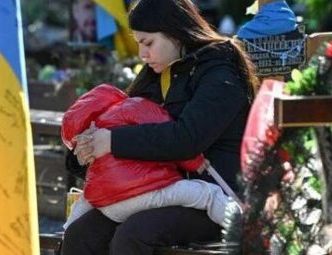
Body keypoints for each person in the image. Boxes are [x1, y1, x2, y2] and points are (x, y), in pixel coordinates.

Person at [56, 0, 258, 255]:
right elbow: (118, 124)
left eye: (148, 42)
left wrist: (111, 142)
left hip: (213, 202)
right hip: (153, 192)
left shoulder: (221, 71)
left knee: (132, 235)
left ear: (177, 32)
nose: (142, 53)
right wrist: (83, 151)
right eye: (138, 43)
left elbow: (187, 139)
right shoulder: (157, 75)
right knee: (80, 234)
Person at [60, 83, 241, 228]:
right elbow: (171, 136)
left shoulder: (91, 132)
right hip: (142, 193)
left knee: (82, 204)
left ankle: (63, 245)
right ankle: (243, 233)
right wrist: (195, 161)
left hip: (107, 206)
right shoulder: (131, 106)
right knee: (208, 194)